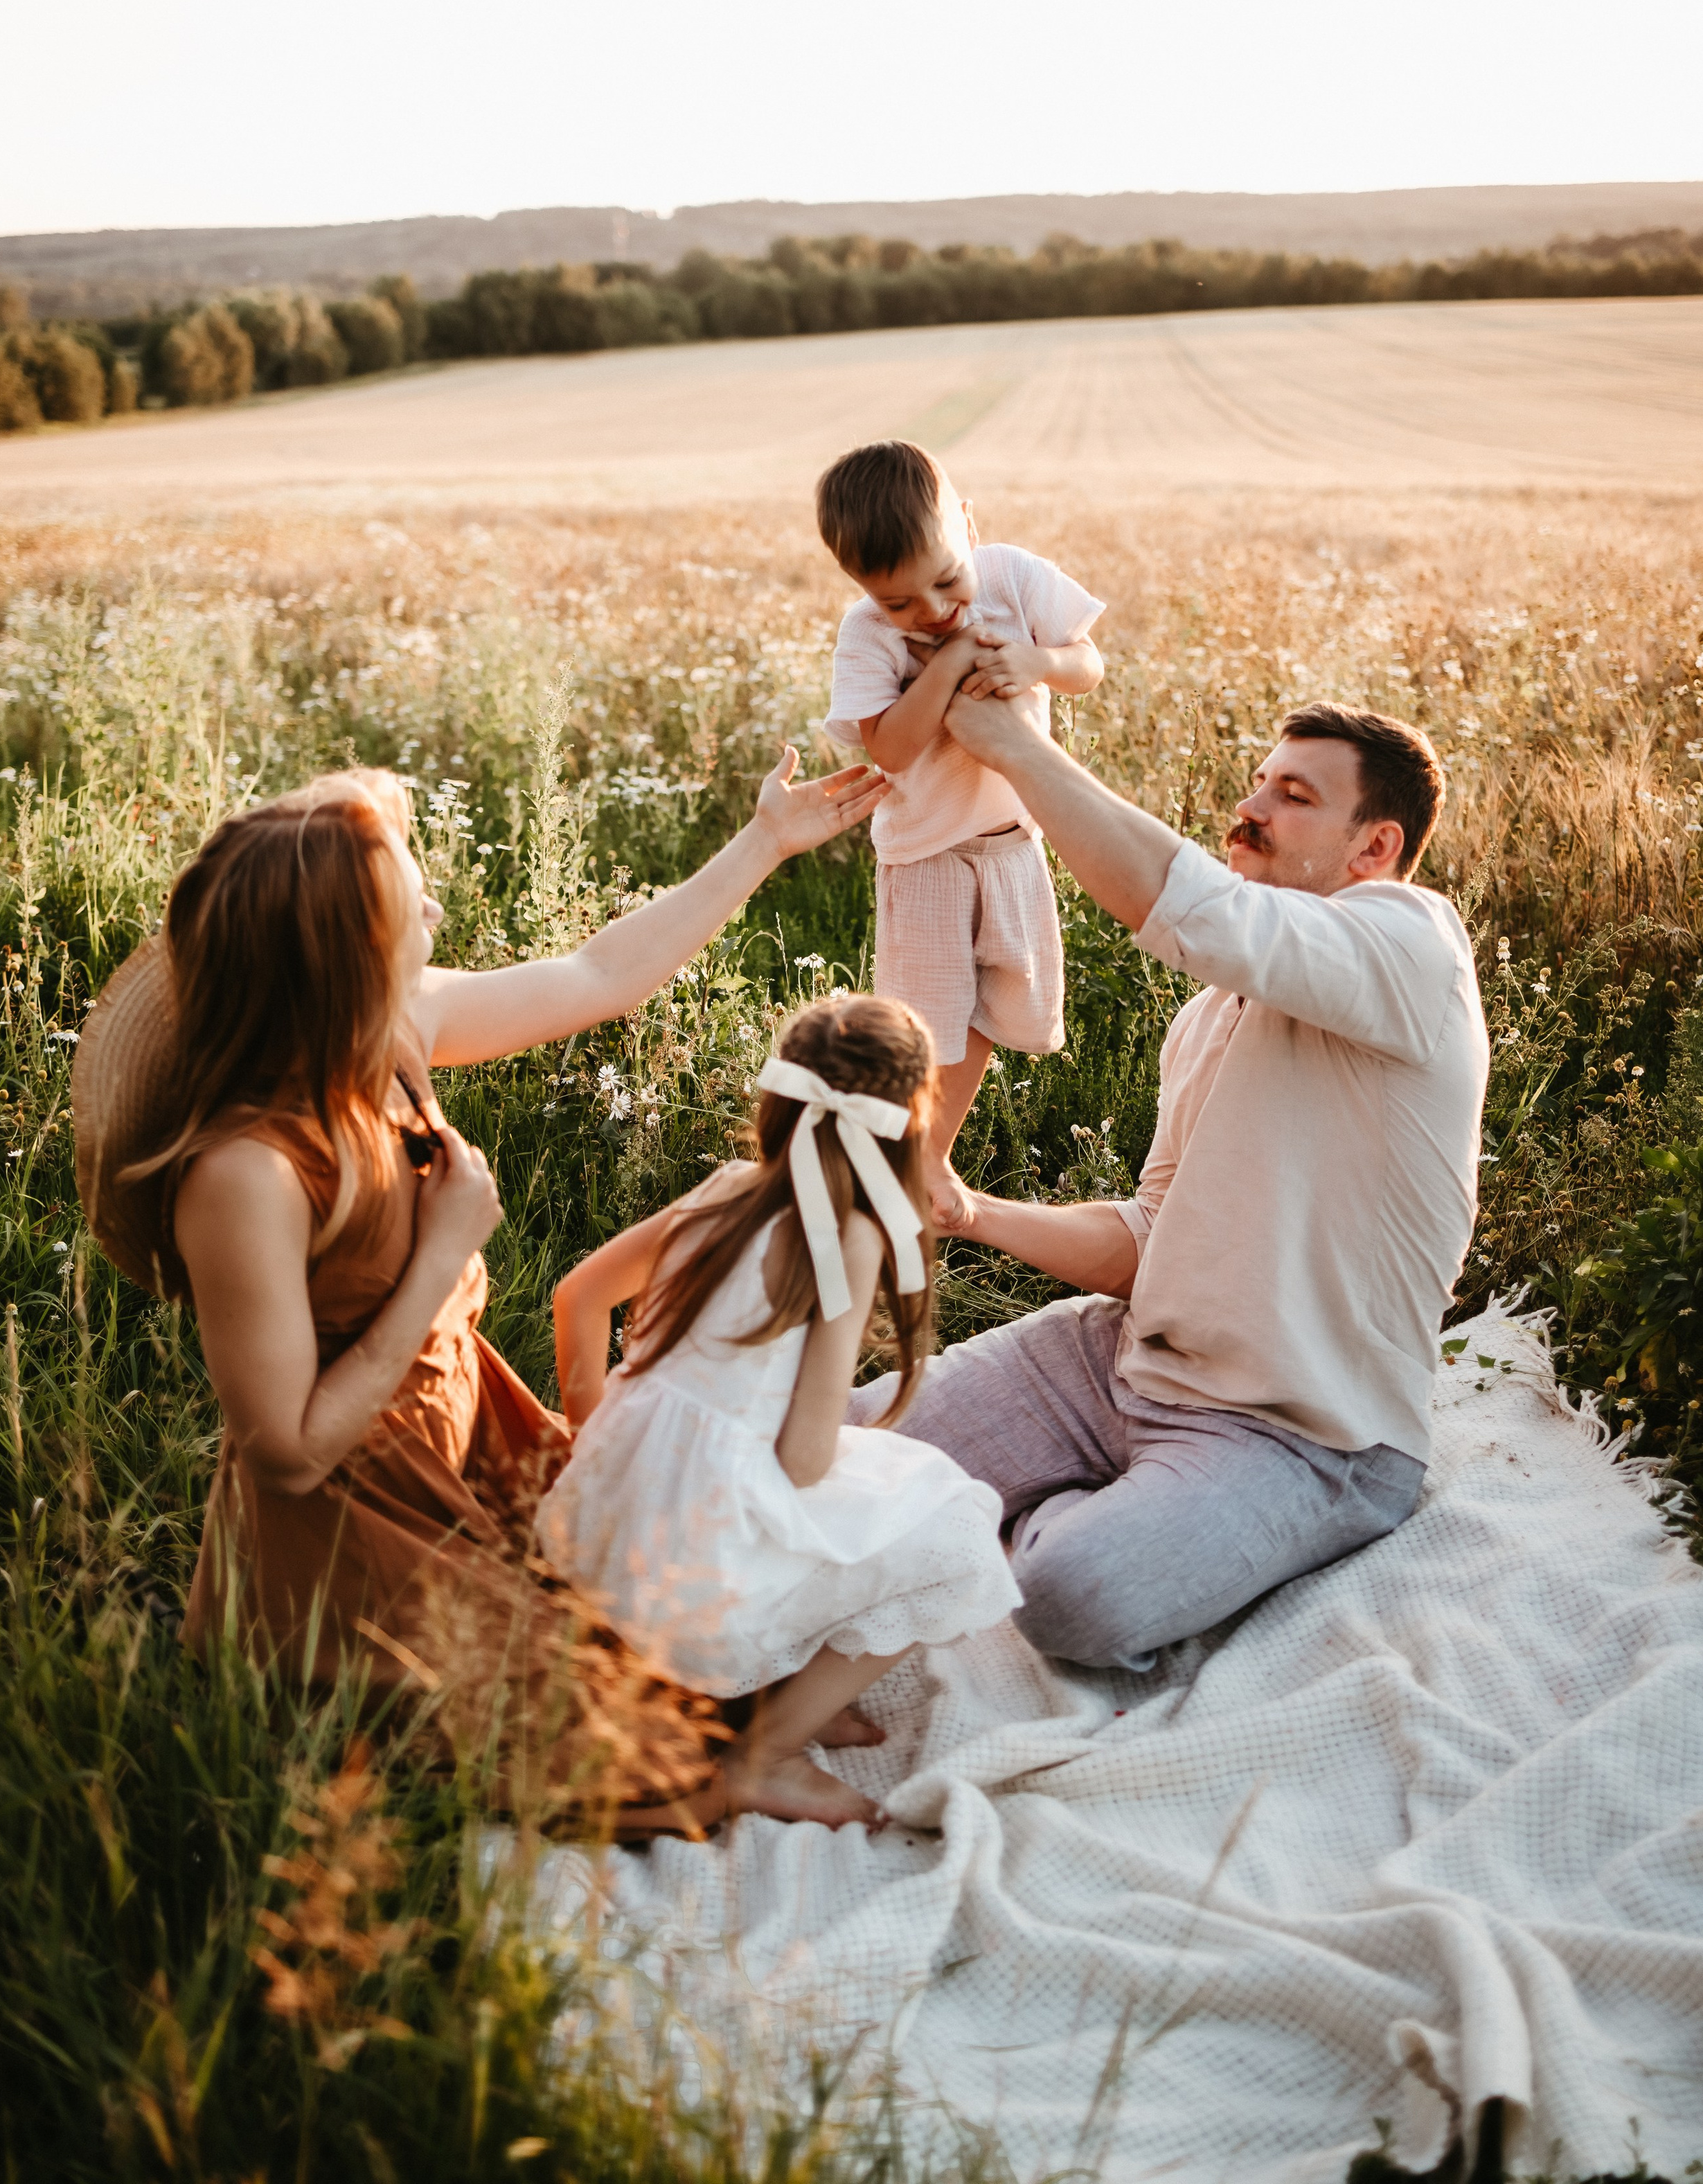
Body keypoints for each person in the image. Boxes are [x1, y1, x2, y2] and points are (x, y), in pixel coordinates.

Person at [71, 747, 884, 1770]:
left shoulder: (391, 1035)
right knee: (636, 1751)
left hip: (470, 1431)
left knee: (690, 1621)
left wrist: (765, 839)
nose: (437, 923)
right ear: (349, 960)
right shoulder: (246, 1175)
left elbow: (599, 976)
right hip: (355, 1524)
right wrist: (442, 1253)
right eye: (415, 909)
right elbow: (289, 1452)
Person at [850, 701, 1490, 1674]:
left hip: (1303, 1435)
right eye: (1259, 781)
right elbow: (1150, 1238)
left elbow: (1189, 906)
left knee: (1074, 1597)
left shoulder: (1412, 943)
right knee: (829, 1448)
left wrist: (1016, 747)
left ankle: (1024, 1513)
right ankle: (1020, 1498)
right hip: (1119, 1362)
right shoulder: (1206, 1018)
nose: (1251, 807)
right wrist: (971, 1211)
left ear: (1375, 847)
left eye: (1295, 795)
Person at [537, 995, 1019, 1831]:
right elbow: (801, 1463)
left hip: (601, 1522)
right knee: (951, 1528)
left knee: (887, 1488)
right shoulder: (850, 1237)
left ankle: (781, 1692)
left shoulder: (726, 1189)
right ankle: (767, 1759)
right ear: (906, 1124)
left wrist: (599, 1439)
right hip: (698, 1577)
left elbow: (577, 1298)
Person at [817, 441, 1105, 1197]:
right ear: (862, 589)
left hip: (1014, 844)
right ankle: (887, 1167)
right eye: (900, 602)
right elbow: (894, 748)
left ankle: (927, 1158)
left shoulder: (1011, 575)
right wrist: (944, 664)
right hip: (928, 856)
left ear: (968, 526)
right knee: (922, 1030)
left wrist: (1037, 663)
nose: (935, 611)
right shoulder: (868, 634)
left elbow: (1087, 663)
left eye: (947, 581)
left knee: (991, 1011)